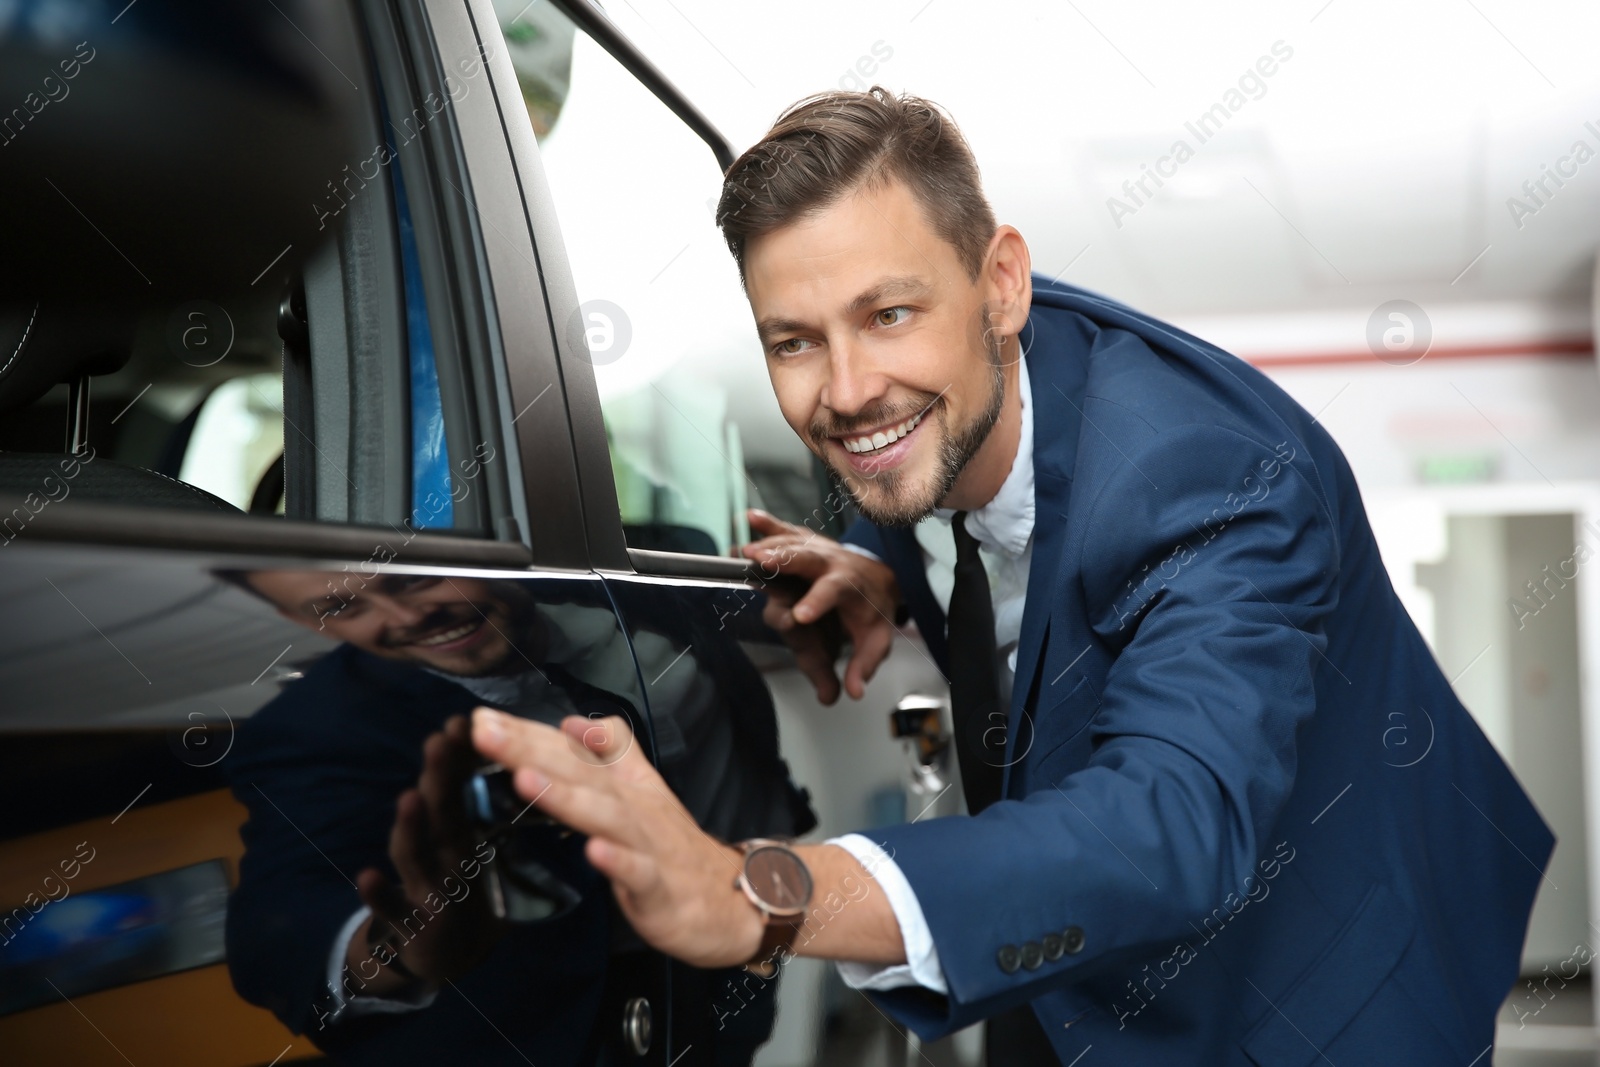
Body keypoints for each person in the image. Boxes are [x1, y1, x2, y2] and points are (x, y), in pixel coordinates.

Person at [470, 87, 1554, 1064]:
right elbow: (944, 494)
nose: (845, 390)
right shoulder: (929, 417)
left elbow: (1170, 824)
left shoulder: (1210, 475)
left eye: (888, 314)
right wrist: (881, 566)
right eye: (792, 340)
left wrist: (762, 893)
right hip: (1081, 988)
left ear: (1000, 284)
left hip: (1325, 999)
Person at [218, 569, 809, 1065]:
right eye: (341, 607)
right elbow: (281, 929)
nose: (402, 617)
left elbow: (738, 601)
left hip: (745, 955)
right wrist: (400, 952)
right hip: (584, 1032)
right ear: (303, 620)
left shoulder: (611, 578)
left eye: (413, 577)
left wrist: (840, 589)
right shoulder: (312, 732)